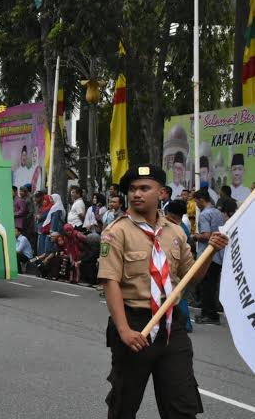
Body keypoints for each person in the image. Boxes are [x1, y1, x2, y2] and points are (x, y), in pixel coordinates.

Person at [98, 164, 228, 419]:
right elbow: (110, 282)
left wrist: (211, 251)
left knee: (181, 405)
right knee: (124, 404)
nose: (137, 194)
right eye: (133, 189)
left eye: (145, 188)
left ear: (160, 192)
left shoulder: (175, 232)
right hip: (135, 325)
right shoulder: (116, 232)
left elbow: (192, 277)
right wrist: (124, 330)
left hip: (171, 327)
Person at [191, 189, 226, 325]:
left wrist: (195, 236)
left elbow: (206, 235)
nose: (196, 204)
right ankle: (211, 312)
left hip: (208, 255)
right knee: (212, 285)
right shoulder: (218, 212)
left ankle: (209, 314)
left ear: (201, 200)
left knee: (206, 286)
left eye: (196, 201)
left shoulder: (205, 214)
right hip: (219, 254)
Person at [164, 199, 194, 333]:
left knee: (179, 297)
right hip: (181, 267)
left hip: (179, 268)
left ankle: (185, 324)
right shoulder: (184, 227)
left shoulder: (177, 230)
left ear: (168, 213)